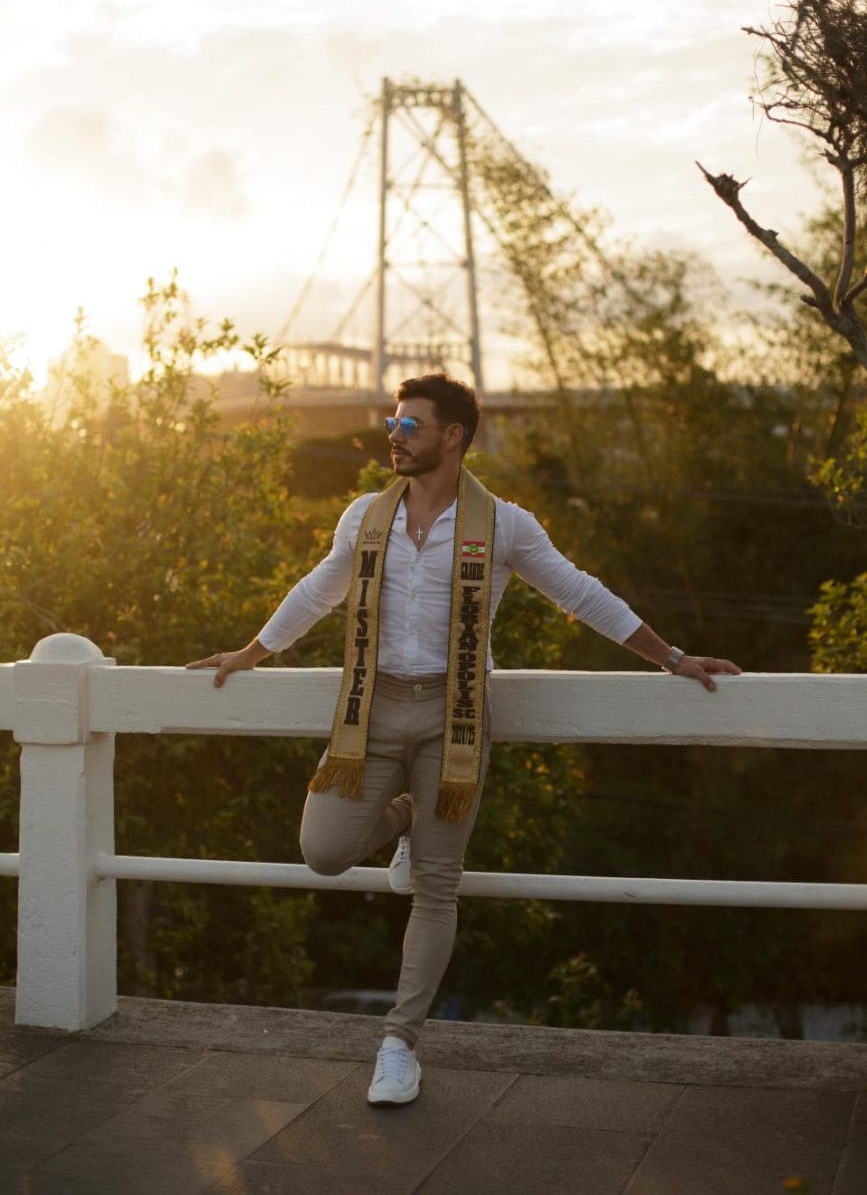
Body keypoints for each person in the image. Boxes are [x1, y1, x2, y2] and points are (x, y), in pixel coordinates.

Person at [186, 373, 741, 1106]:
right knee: (323, 851)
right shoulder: (363, 516)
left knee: (437, 885)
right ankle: (410, 817)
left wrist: (672, 657)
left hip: (456, 721)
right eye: (393, 421)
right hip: (371, 711)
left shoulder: (505, 525)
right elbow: (321, 587)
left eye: (409, 424)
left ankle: (398, 1043)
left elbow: (580, 593)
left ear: (452, 436)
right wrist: (249, 652)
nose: (393, 433)